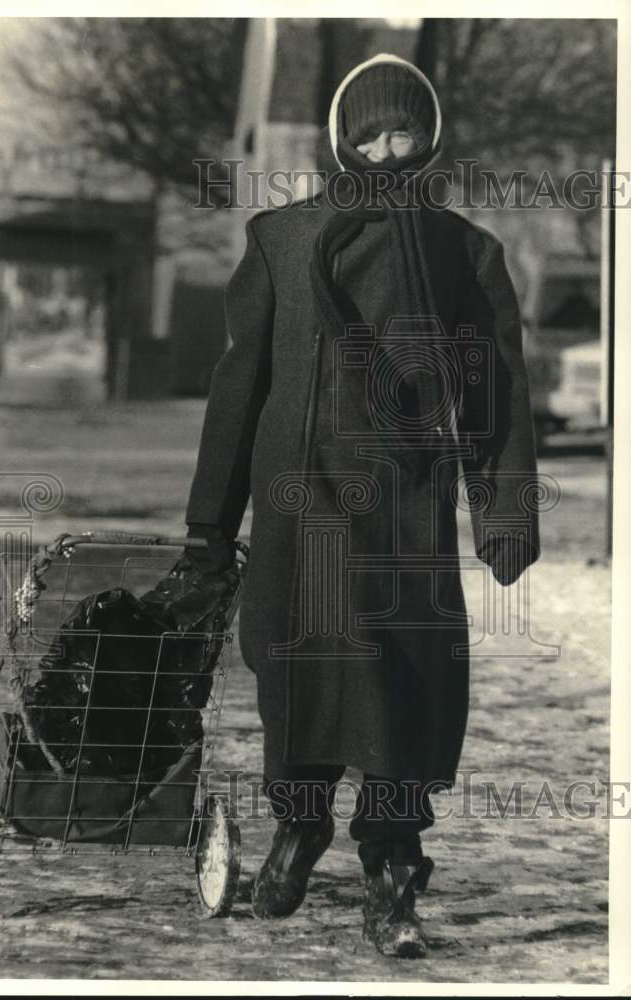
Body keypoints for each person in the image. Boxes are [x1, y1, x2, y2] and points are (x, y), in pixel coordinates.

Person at [185, 53, 540, 958]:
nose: (388, 148)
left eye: (406, 132)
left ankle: (391, 867)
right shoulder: (282, 239)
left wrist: (504, 508)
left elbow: (494, 389)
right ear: (345, 138)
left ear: (431, 139)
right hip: (298, 509)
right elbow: (239, 390)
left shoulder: (465, 253)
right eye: (372, 132)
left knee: (404, 690)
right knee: (296, 682)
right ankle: (298, 827)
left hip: (404, 510)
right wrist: (207, 527)